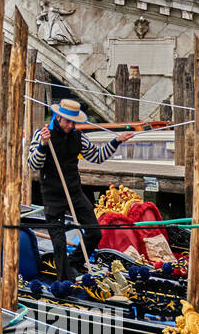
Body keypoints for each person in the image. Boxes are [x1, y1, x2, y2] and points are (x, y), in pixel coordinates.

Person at [27, 100, 134, 279]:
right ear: (58, 117)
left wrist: (117, 141)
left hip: (74, 192)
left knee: (95, 232)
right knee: (59, 243)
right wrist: (43, 146)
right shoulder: (42, 135)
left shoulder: (78, 136)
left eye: (73, 122)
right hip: (52, 195)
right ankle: (64, 280)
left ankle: (74, 263)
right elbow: (33, 164)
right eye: (67, 121)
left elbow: (97, 156)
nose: (70, 125)